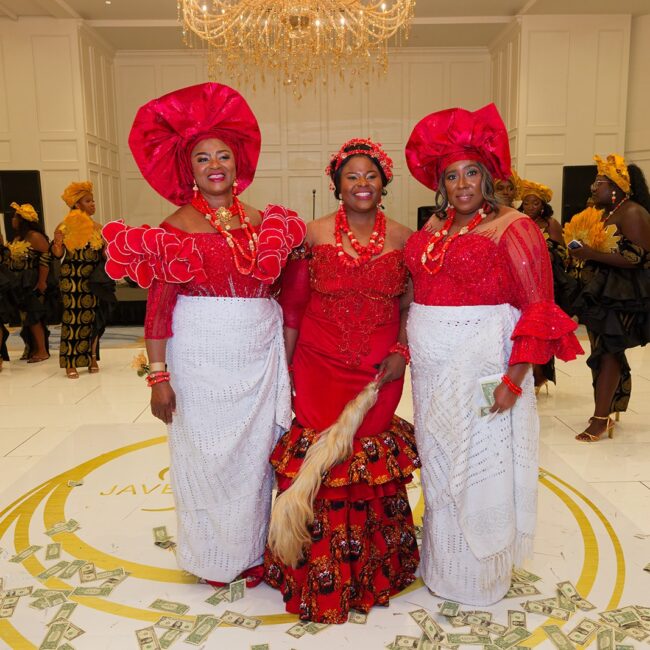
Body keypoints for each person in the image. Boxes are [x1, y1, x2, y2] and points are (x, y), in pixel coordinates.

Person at [102, 82, 305, 588]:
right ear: (187, 169)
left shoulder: (265, 223)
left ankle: (254, 551)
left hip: (259, 359)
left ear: (238, 163)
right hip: (199, 361)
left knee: (256, 461)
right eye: (202, 158)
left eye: (223, 156)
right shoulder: (176, 227)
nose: (215, 165)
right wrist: (158, 377)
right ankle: (214, 558)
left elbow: (287, 296)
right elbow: (158, 310)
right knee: (204, 458)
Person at [404, 103, 583, 605]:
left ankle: (479, 578)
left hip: (485, 369)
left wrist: (513, 379)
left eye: (471, 173)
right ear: (440, 184)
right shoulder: (434, 229)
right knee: (440, 466)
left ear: (487, 177)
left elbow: (537, 307)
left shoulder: (515, 226)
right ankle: (443, 566)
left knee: (482, 469)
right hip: (432, 376)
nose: (462, 184)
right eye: (452, 175)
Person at [264, 138, 420, 624]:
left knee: (364, 454)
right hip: (317, 366)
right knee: (319, 454)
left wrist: (401, 352)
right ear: (337, 185)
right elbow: (293, 307)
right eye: (352, 176)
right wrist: (286, 368)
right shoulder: (310, 235)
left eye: (370, 175)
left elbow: (411, 308)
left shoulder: (406, 239)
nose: (362, 184)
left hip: (378, 372)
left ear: (384, 183)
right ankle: (310, 567)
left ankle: (371, 571)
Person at [568, 154, 650, 441]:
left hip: (624, 294)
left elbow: (638, 258)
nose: (593, 187)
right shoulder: (607, 212)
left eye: (599, 182)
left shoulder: (632, 212)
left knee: (609, 352)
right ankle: (606, 409)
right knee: (603, 351)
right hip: (604, 292)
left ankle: (601, 419)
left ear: (616, 187)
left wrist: (590, 254)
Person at [52, 182, 114, 378]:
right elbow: (57, 254)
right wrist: (57, 244)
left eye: (93, 201)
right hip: (72, 277)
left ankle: (92, 358)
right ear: (77, 205)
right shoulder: (64, 226)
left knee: (93, 318)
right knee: (72, 318)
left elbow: (104, 256)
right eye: (88, 201)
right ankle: (70, 362)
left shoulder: (99, 228)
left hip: (93, 279)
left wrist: (108, 249)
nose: (93, 204)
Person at [519, 178, 574, 391]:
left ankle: (540, 376)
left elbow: (562, 253)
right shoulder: (515, 220)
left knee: (541, 330)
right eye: (527, 202)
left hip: (543, 284)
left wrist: (541, 253)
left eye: (535, 203)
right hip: (520, 282)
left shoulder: (550, 224)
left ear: (543, 205)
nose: (531, 207)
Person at [0, 203, 52, 362]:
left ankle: (42, 351)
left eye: (15, 217)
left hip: (32, 281)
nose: (12, 220)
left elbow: (46, 259)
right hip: (19, 282)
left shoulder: (35, 236)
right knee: (26, 317)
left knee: (34, 315)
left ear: (23, 220)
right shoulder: (18, 238)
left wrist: (42, 281)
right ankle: (31, 348)